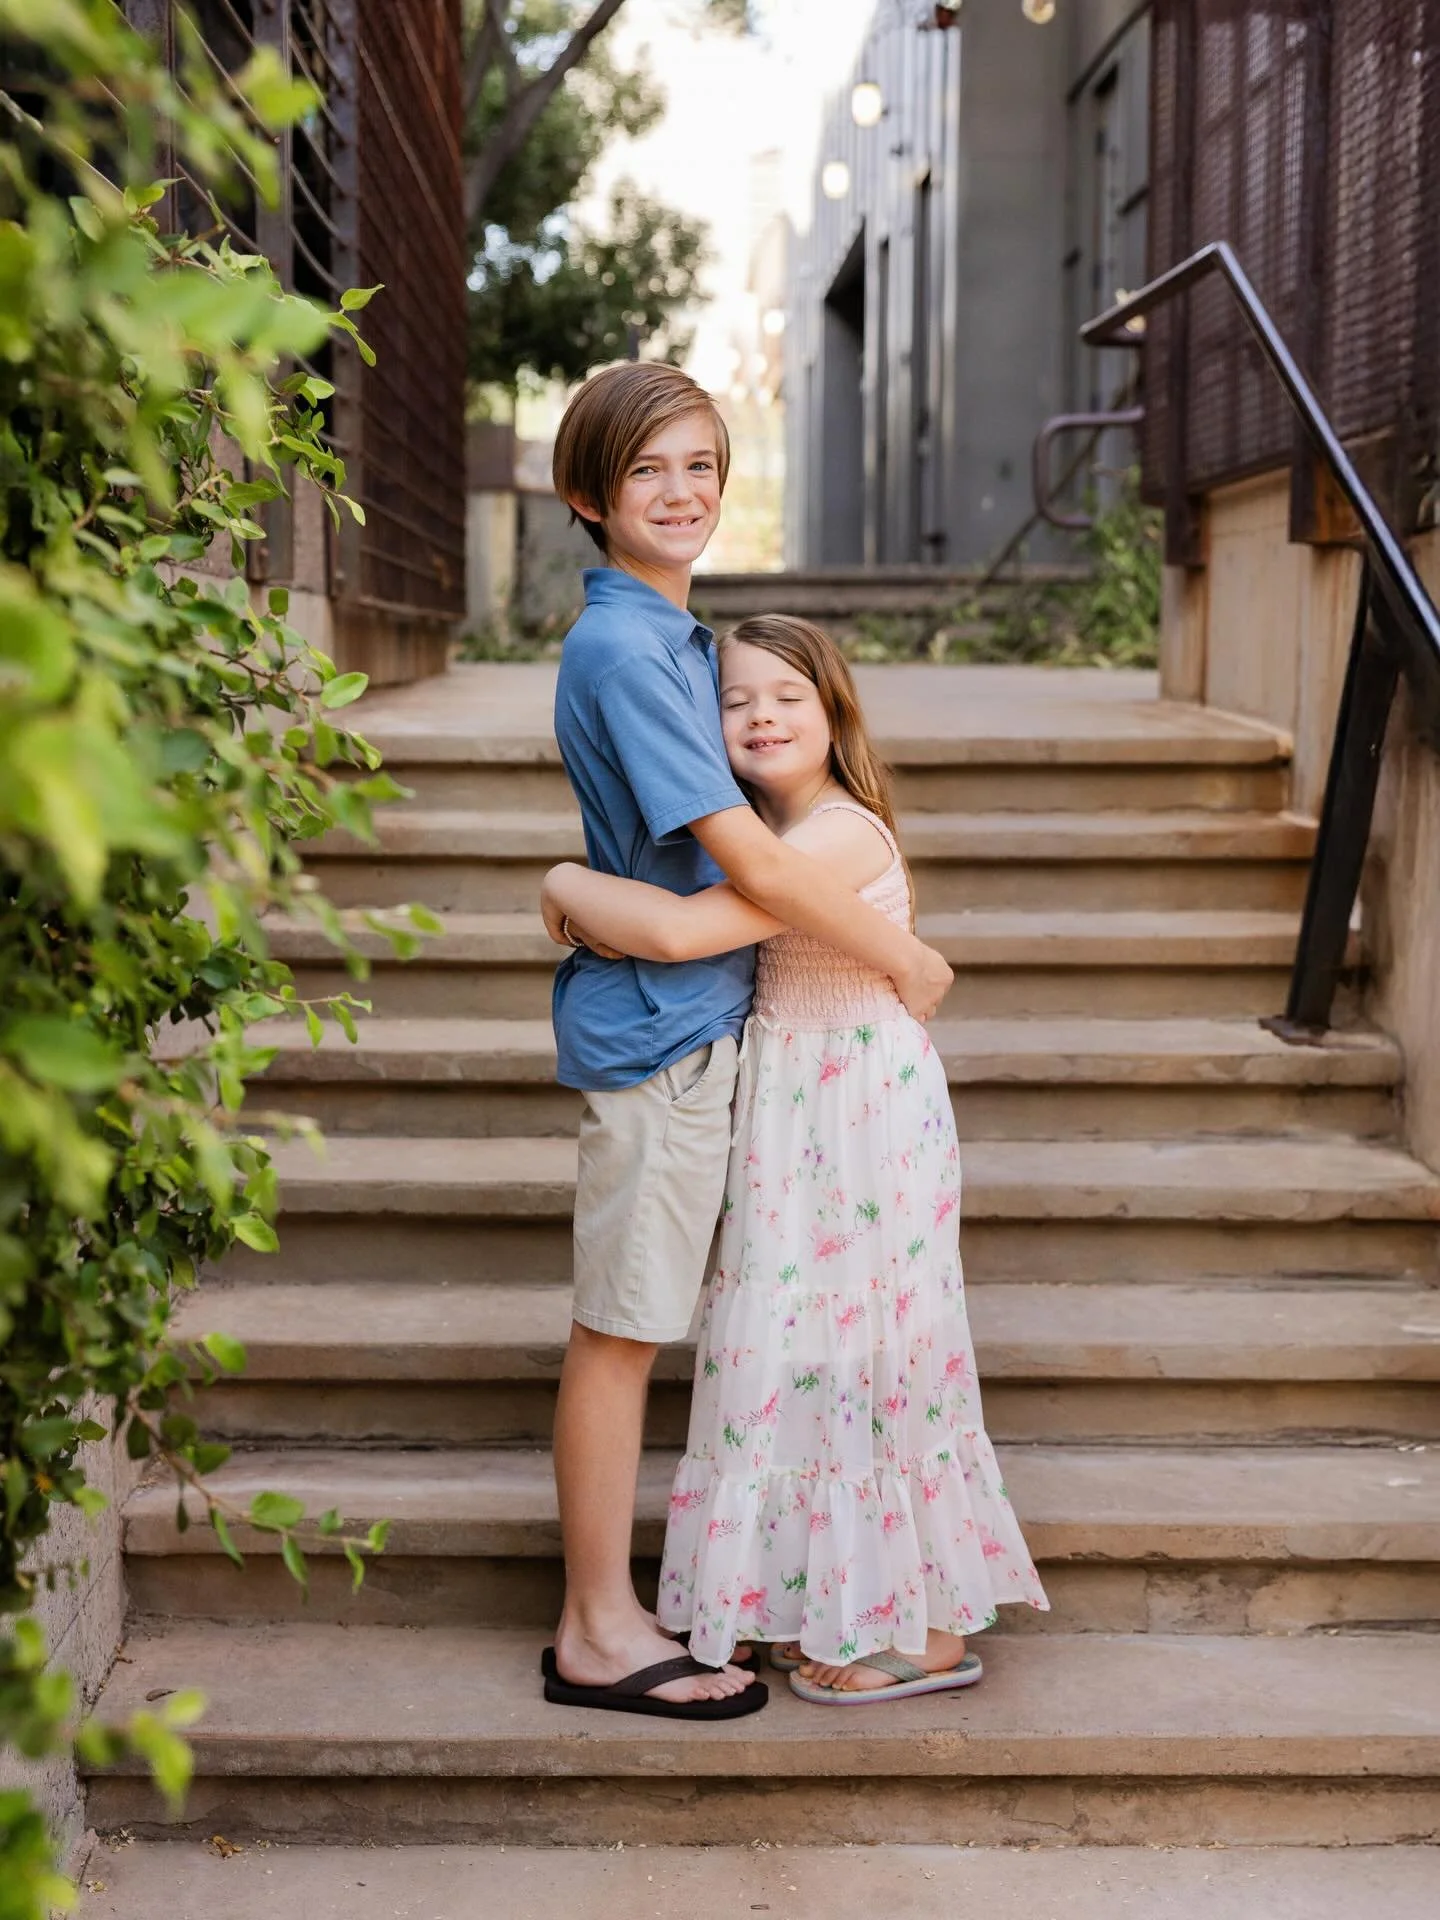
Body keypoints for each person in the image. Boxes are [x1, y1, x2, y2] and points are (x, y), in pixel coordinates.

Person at [541, 365, 955, 1720]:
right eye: (648, 470)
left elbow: (735, 874)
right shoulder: (631, 651)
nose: (681, 492)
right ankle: (599, 1628)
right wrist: (903, 953)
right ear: (588, 496)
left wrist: (575, 887)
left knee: (650, 1319)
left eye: (702, 465)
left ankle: (656, 1605)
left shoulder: (682, 641)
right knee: (622, 1329)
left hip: (702, 1021)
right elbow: (744, 876)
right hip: (662, 1034)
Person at [542, 614, 1049, 1704]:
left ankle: (929, 1631)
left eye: (788, 696)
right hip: (794, 1105)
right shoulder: (762, 840)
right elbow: (697, 911)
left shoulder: (838, 833)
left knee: (878, 1349)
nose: (761, 715)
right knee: (795, 1347)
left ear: (835, 714)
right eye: (735, 701)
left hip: (862, 1108)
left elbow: (680, 934)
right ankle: (828, 1594)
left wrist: (566, 886)